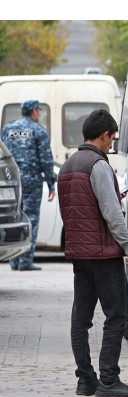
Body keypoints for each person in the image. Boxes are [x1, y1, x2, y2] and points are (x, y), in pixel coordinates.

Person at [57, 109, 128, 397]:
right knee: (116, 316)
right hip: (104, 254)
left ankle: (85, 380)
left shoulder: (67, 166)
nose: (111, 145)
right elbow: (111, 212)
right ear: (104, 135)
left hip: (79, 254)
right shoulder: (98, 164)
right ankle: (109, 380)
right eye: (111, 139)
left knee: (80, 320)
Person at [1, 100, 57, 271]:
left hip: (12, 181)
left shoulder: (7, 129)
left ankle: (13, 260)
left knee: (14, 217)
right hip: (32, 180)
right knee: (31, 217)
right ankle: (25, 261)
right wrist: (51, 184)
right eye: (38, 111)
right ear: (33, 111)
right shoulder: (38, 131)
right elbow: (46, 160)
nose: (39, 114)